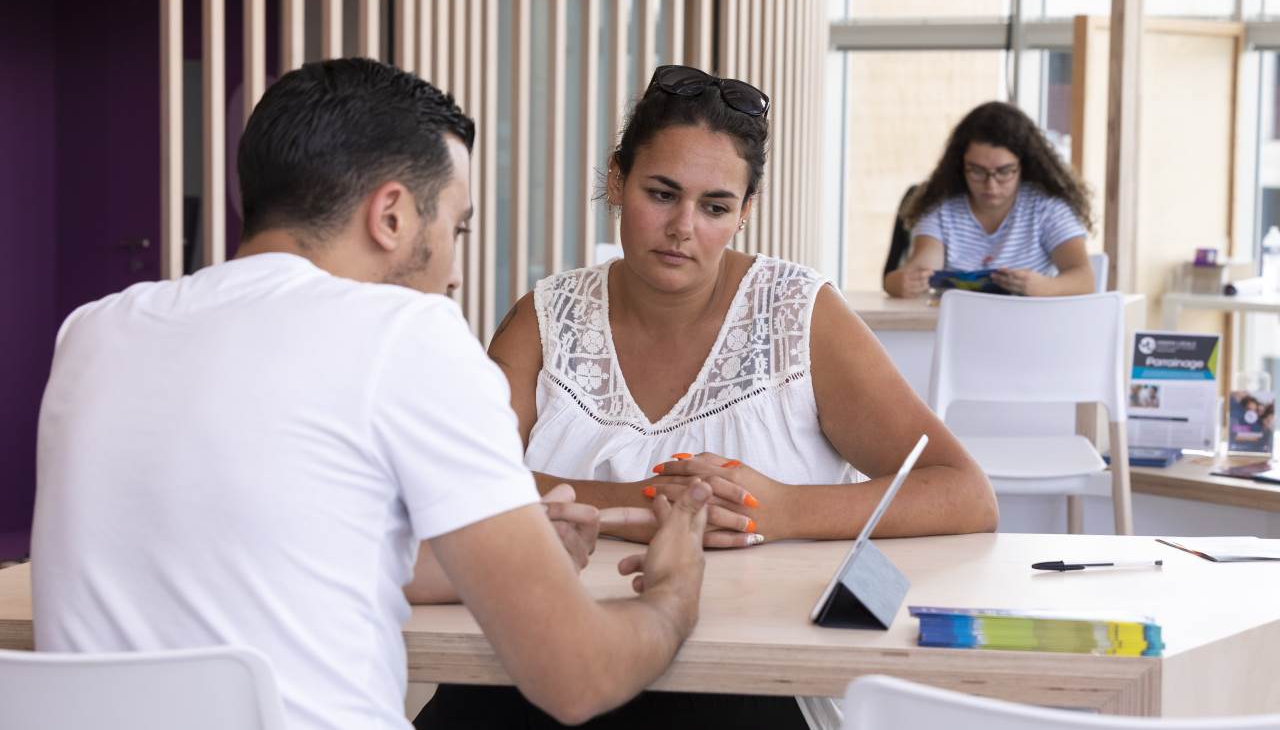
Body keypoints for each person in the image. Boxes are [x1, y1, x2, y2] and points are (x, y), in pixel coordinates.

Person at [31, 58, 711, 730]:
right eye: (455, 226)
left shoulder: (95, 332)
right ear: (391, 215)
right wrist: (674, 597)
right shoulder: (407, 334)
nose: (453, 269)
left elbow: (278, 548)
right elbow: (577, 675)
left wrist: (509, 559)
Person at [456, 64, 997, 729]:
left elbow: (965, 491)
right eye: (662, 193)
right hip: (544, 652)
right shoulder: (547, 315)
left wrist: (782, 510)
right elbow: (467, 478)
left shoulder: (798, 313)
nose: (684, 226)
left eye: (714, 206)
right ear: (617, 180)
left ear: (745, 212)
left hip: (744, 682)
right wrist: (650, 504)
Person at [883, 101, 1096, 298]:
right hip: (961, 330)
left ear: (1024, 165)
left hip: (1031, 328)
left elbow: (1084, 279)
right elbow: (921, 268)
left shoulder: (1047, 207)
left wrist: (1043, 287)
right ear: (960, 166)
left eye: (1004, 171)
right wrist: (901, 282)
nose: (990, 185)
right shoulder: (941, 207)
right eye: (977, 171)